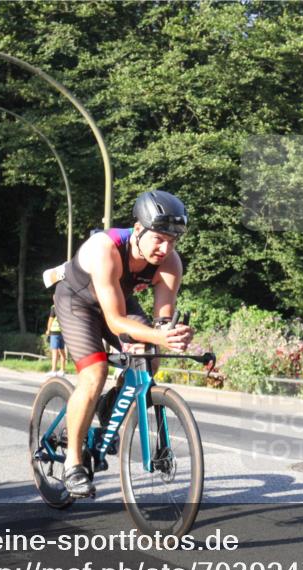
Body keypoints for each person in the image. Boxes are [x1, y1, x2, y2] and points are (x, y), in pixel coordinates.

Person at [50, 190, 194, 497]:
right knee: (94, 373)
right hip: (77, 301)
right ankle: (73, 463)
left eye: (173, 241)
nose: (165, 248)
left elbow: (162, 322)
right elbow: (115, 322)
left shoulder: (170, 263)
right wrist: (157, 335)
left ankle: (110, 402)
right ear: (138, 229)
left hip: (117, 301)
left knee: (151, 357)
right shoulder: (105, 248)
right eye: (159, 239)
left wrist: (171, 333)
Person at [44, 305, 67, 377]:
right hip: (63, 332)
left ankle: (53, 370)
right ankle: (62, 370)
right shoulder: (65, 306)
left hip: (54, 331)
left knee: (55, 351)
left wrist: (48, 330)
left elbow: (50, 319)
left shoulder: (54, 307)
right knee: (62, 351)